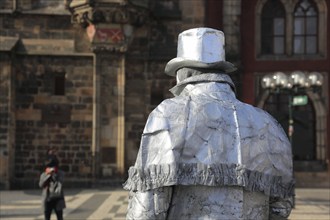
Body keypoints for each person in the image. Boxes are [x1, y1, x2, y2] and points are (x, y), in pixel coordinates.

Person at [124, 27, 294, 219]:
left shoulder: (168, 115)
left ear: (183, 74)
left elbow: (147, 209)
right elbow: (281, 206)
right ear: (223, 71)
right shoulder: (266, 122)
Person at [39, 148, 66, 220]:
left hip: (58, 198)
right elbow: (41, 185)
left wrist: (54, 174)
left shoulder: (60, 173)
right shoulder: (44, 174)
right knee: (47, 217)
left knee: (60, 217)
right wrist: (48, 175)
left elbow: (61, 183)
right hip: (47, 198)